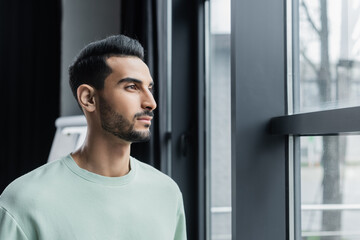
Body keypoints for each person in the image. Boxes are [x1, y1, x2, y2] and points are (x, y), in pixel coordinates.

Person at [0, 34, 187, 239]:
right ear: (88, 98)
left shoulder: (167, 193)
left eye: (149, 88)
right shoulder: (24, 201)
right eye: (132, 87)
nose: (151, 102)